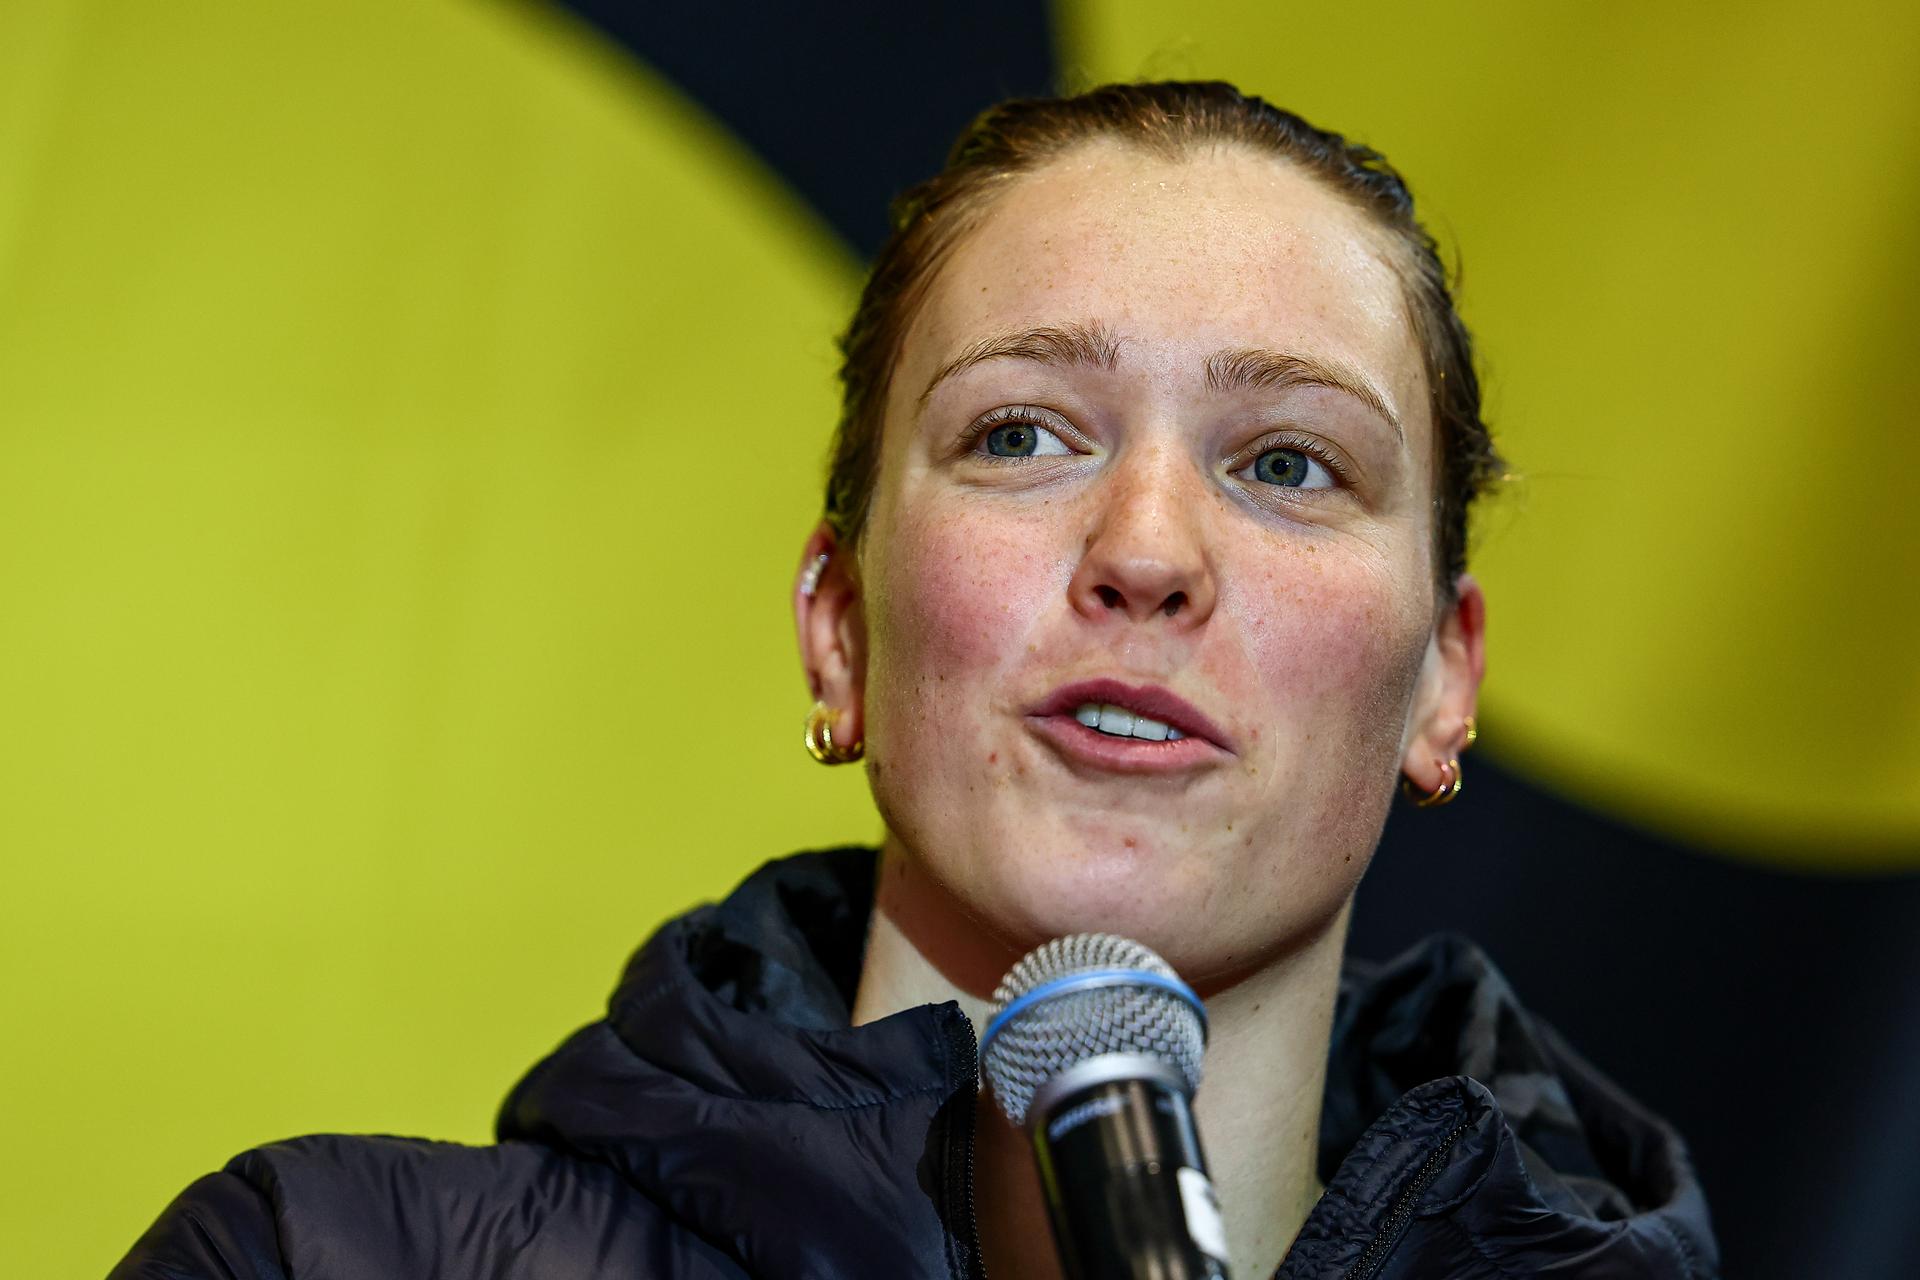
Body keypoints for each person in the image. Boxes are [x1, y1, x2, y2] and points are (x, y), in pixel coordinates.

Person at [112, 81, 1718, 1279]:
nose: (1146, 548)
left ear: (1443, 681)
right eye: (1020, 434)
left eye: (1289, 463)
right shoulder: (313, 1258)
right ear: (842, 631)